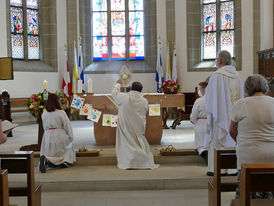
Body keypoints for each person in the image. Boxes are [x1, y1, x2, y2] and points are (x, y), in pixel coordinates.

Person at [230, 74, 274, 199]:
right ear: (265, 87)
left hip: (248, 155)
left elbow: (232, 131)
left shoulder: (241, 104)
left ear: (247, 88)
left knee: (246, 193)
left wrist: (242, 142)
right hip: (272, 154)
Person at [205, 50, 244, 176]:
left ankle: (216, 168)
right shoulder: (237, 76)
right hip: (234, 116)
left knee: (218, 139)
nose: (216, 61)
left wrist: (211, 112)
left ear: (220, 61)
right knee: (232, 139)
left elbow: (209, 99)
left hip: (220, 116)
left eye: (217, 59)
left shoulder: (216, 76)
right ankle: (232, 169)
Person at [112, 80, 159, 170]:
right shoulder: (144, 100)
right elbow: (145, 111)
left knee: (126, 144)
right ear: (141, 90)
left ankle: (128, 162)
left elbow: (114, 93)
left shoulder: (124, 97)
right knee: (139, 142)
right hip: (138, 125)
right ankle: (141, 161)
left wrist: (118, 83)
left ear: (130, 88)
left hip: (126, 126)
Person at [39, 93, 76, 173]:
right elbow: (67, 126)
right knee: (68, 146)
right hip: (59, 136)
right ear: (57, 101)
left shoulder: (44, 114)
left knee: (49, 152)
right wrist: (70, 137)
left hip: (47, 137)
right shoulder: (61, 113)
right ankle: (64, 161)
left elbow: (44, 127)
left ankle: (47, 159)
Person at [190, 81, 208, 164]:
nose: (199, 91)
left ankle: (208, 158)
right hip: (214, 124)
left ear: (203, 89)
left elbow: (193, 116)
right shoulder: (216, 99)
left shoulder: (199, 101)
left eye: (200, 89)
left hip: (201, 123)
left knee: (201, 146)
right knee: (210, 145)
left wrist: (194, 122)